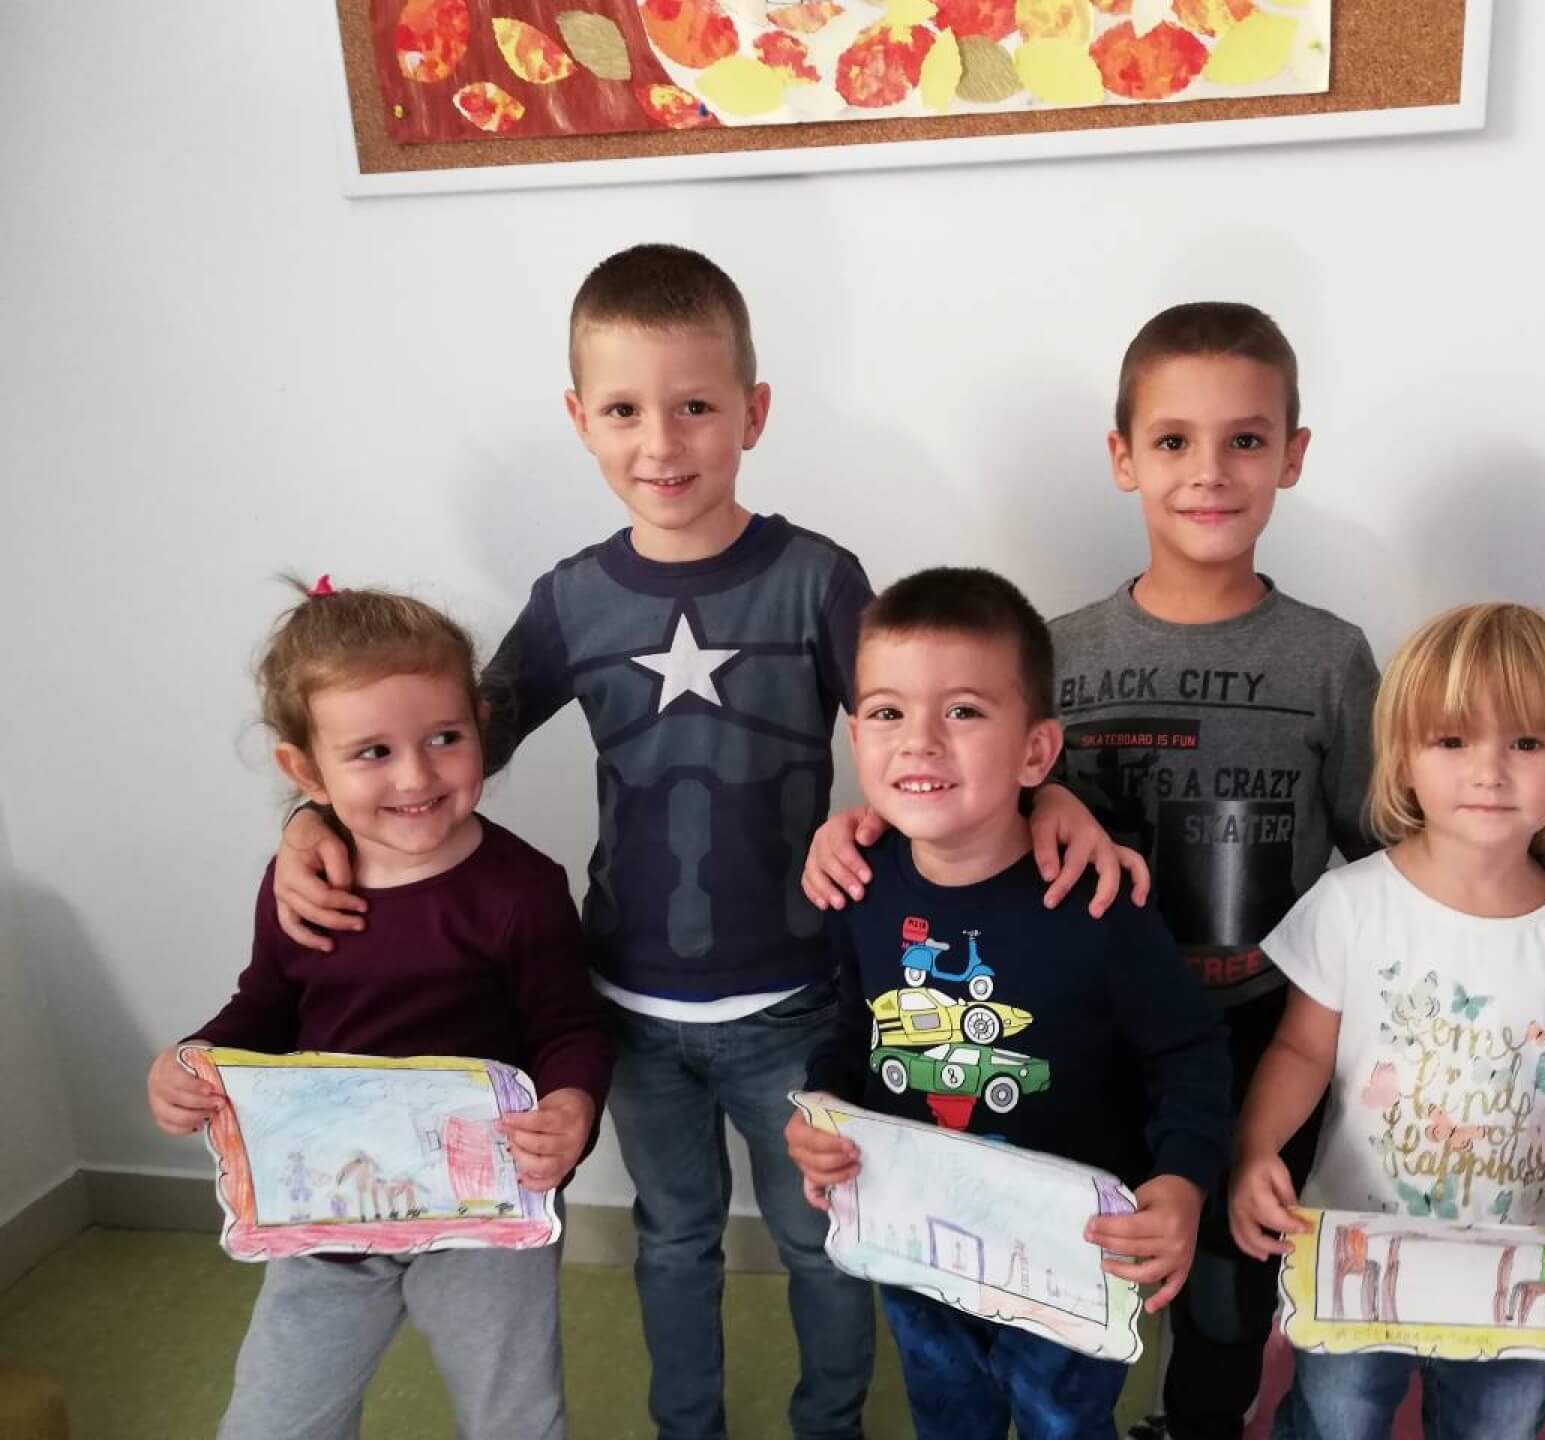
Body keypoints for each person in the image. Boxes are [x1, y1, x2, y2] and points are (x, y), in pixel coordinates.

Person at [267, 245, 1140, 1440]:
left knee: (823, 1241)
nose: (662, 442)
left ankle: (829, 1424)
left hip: (796, 998)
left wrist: (1053, 798)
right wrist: (312, 817)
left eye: (694, 407)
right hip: (629, 1009)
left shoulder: (817, 579)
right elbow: (446, 748)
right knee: (673, 1240)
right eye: (625, 410)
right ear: (581, 419)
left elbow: (929, 726)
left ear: (752, 413)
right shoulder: (573, 597)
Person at [803, 302, 1545, 1440]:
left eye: (1245, 440)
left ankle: (1197, 1425)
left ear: (1290, 456)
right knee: (1085, 1264)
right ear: (1124, 458)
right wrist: (899, 817)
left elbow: (1417, 826)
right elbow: (985, 783)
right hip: (1084, 1038)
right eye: (1173, 440)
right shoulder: (1063, 648)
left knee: (1224, 1289)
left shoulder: (1328, 658)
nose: (1208, 471)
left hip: (1267, 1028)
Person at [145, 579, 613, 1440]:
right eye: (372, 752)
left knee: (515, 1417)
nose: (416, 775)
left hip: (484, 1213)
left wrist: (572, 1105)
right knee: (272, 1421)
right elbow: (264, 1007)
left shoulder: (521, 889)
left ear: (480, 728)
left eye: (445, 738)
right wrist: (193, 1059)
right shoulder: (303, 884)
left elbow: (569, 1026)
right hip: (326, 1213)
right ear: (305, 772)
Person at [1229, 602, 1545, 1440]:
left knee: (1500, 1424)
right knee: (1336, 1420)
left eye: (1525, 742)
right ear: (1403, 758)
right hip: (1357, 1255)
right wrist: (1255, 1149)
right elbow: (1301, 1049)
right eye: (1452, 740)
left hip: (1518, 1270)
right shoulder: (1351, 905)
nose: (1489, 771)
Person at [786, 567, 1232, 1440]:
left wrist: (1182, 1181)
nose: (918, 742)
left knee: (1062, 1423)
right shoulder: (858, 885)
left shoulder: (1096, 901)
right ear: (856, 736)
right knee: (947, 1413)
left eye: (962, 711)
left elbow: (1189, 1053)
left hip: (1067, 1252)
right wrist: (825, 1109)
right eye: (887, 713)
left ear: (1035, 752)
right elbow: (854, 1024)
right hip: (916, 1238)